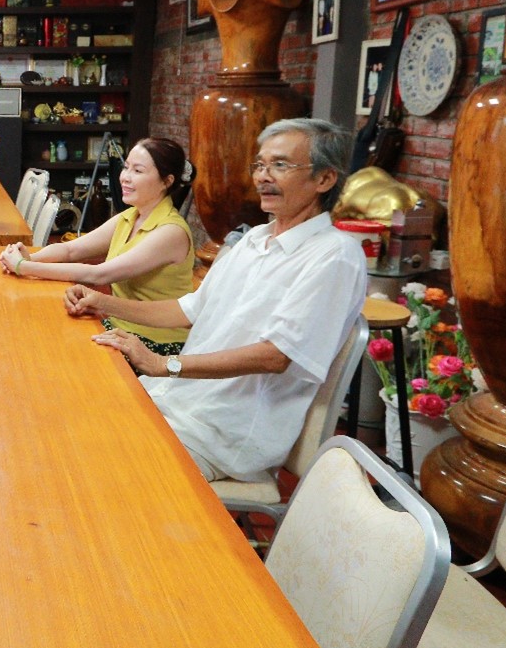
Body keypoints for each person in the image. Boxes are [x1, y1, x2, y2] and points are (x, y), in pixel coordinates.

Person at [64, 119, 367, 483]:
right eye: (260, 165)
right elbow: (189, 310)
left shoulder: (334, 255)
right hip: (178, 401)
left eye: (280, 165)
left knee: (89, 466)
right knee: (67, 416)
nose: (263, 176)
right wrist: (102, 303)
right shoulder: (255, 239)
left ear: (324, 179)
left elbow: (276, 355)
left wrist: (165, 364)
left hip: (223, 432)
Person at [0, 137, 195, 356]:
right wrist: (30, 258)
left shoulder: (170, 232)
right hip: (120, 329)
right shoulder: (130, 216)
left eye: (138, 171)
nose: (125, 177)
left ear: (166, 181)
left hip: (156, 344)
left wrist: (23, 267)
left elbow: (99, 274)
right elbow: (71, 250)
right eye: (126, 167)